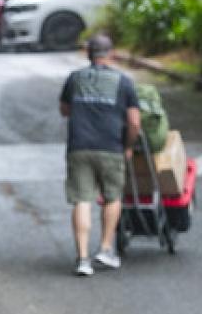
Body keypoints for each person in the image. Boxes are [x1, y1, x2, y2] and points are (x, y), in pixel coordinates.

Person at [59, 33, 141, 276]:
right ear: (112, 54)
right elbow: (134, 122)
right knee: (113, 197)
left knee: (82, 200)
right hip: (111, 146)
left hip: (79, 146)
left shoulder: (75, 78)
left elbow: (65, 109)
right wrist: (128, 145)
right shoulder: (124, 82)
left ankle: (83, 259)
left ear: (88, 54)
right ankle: (105, 249)